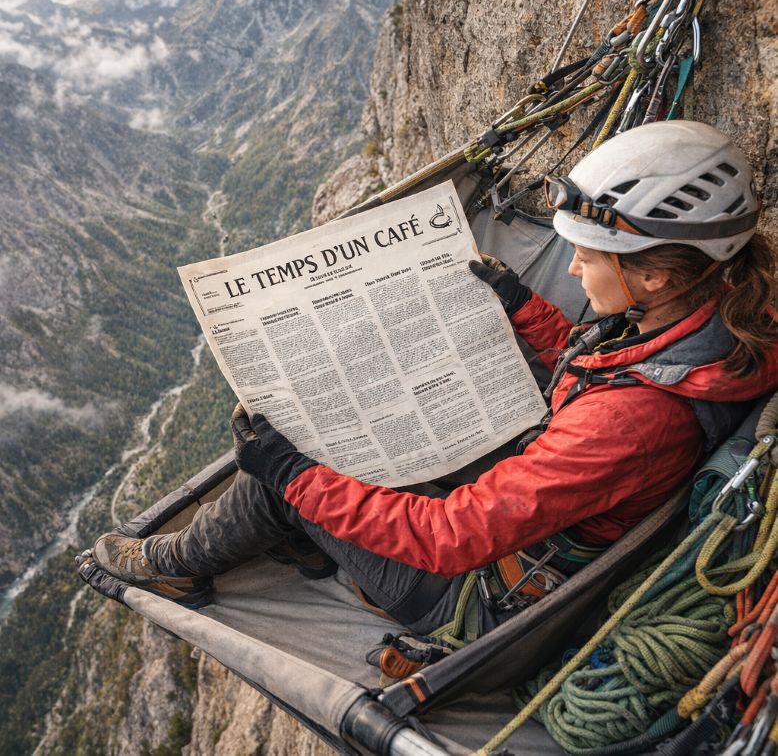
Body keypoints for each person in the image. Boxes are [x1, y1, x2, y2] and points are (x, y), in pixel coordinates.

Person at [83, 120, 778, 639]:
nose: (571, 269)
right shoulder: (714, 319)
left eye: (588, 258)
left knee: (285, 471)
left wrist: (293, 476)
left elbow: (451, 536)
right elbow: (608, 368)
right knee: (335, 453)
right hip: (543, 538)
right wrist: (522, 307)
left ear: (654, 275)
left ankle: (173, 561)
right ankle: (300, 532)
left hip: (479, 598)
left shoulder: (630, 421)